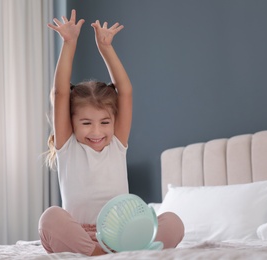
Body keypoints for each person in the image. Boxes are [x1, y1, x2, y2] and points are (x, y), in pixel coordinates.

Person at [38, 10, 184, 256]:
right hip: (81, 234)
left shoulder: (116, 142)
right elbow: (60, 93)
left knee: (173, 221)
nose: (97, 131)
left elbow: (124, 91)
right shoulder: (68, 146)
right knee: (50, 218)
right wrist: (69, 43)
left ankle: (116, 250)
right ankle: (107, 253)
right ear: (71, 122)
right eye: (86, 123)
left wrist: (106, 48)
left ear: (113, 121)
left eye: (105, 122)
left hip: (123, 233)